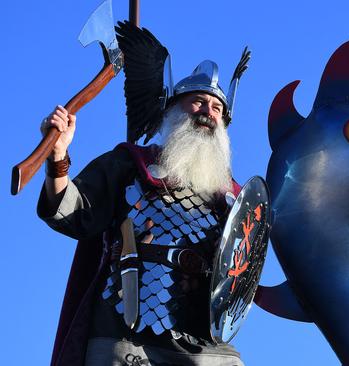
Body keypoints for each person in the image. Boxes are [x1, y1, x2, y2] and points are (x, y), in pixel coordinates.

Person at [38, 30, 251, 365]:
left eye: (216, 107)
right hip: (125, 334)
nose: (208, 111)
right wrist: (59, 157)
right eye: (198, 100)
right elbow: (74, 211)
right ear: (172, 109)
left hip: (200, 342)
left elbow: (242, 272)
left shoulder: (234, 200)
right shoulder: (130, 164)